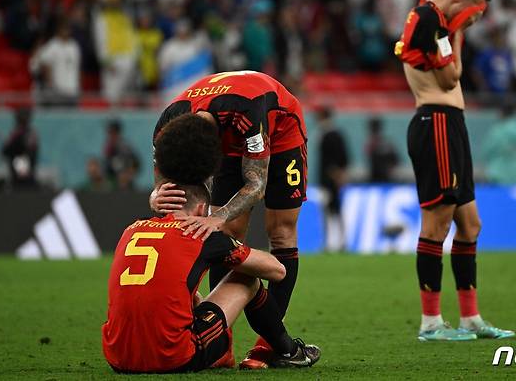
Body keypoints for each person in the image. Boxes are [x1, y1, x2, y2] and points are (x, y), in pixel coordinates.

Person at [102, 114, 320, 373]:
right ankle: (288, 350)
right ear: (203, 208)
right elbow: (277, 270)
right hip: (174, 357)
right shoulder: (200, 234)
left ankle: (238, 351)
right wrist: (230, 247)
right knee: (247, 279)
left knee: (182, 290)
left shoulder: (131, 230)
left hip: (117, 357)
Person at [149, 70, 307, 368]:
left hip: (281, 130)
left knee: (281, 230)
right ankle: (221, 345)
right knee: (229, 233)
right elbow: (159, 188)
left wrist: (215, 216)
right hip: (227, 132)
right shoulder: (167, 127)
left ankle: (268, 346)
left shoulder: (248, 111)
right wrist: (156, 197)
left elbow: (256, 186)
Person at [395, 0, 514, 341]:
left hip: (451, 125)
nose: (472, 23)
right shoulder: (429, 19)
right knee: (438, 223)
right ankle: (431, 323)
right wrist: (456, 35)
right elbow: (449, 79)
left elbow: (453, 74)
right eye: (473, 16)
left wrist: (455, 38)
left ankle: (470, 318)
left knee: (470, 224)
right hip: (436, 124)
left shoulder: (437, 25)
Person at [317, 107, 350, 252]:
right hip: (332, 179)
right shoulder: (335, 134)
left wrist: (336, 174)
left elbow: (331, 160)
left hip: (329, 180)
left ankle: (333, 242)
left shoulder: (328, 135)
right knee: (335, 210)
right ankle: (339, 241)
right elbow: (345, 157)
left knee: (331, 210)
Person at [30, 21, 81, 106]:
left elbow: (77, 67)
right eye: (64, 29)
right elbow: (43, 63)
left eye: (68, 29)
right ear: (59, 30)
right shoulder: (52, 45)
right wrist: (50, 84)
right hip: (58, 91)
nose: (66, 31)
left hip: (72, 90)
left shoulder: (74, 46)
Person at [2, 108, 39, 189]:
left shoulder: (22, 134)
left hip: (22, 174)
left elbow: (29, 153)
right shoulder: (23, 133)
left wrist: (23, 170)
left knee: (23, 187)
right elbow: (5, 150)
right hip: (20, 173)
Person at [365, 117, 399, 183]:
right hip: (384, 178)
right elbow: (396, 160)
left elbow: (395, 160)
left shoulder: (371, 144)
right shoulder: (387, 143)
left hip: (379, 178)